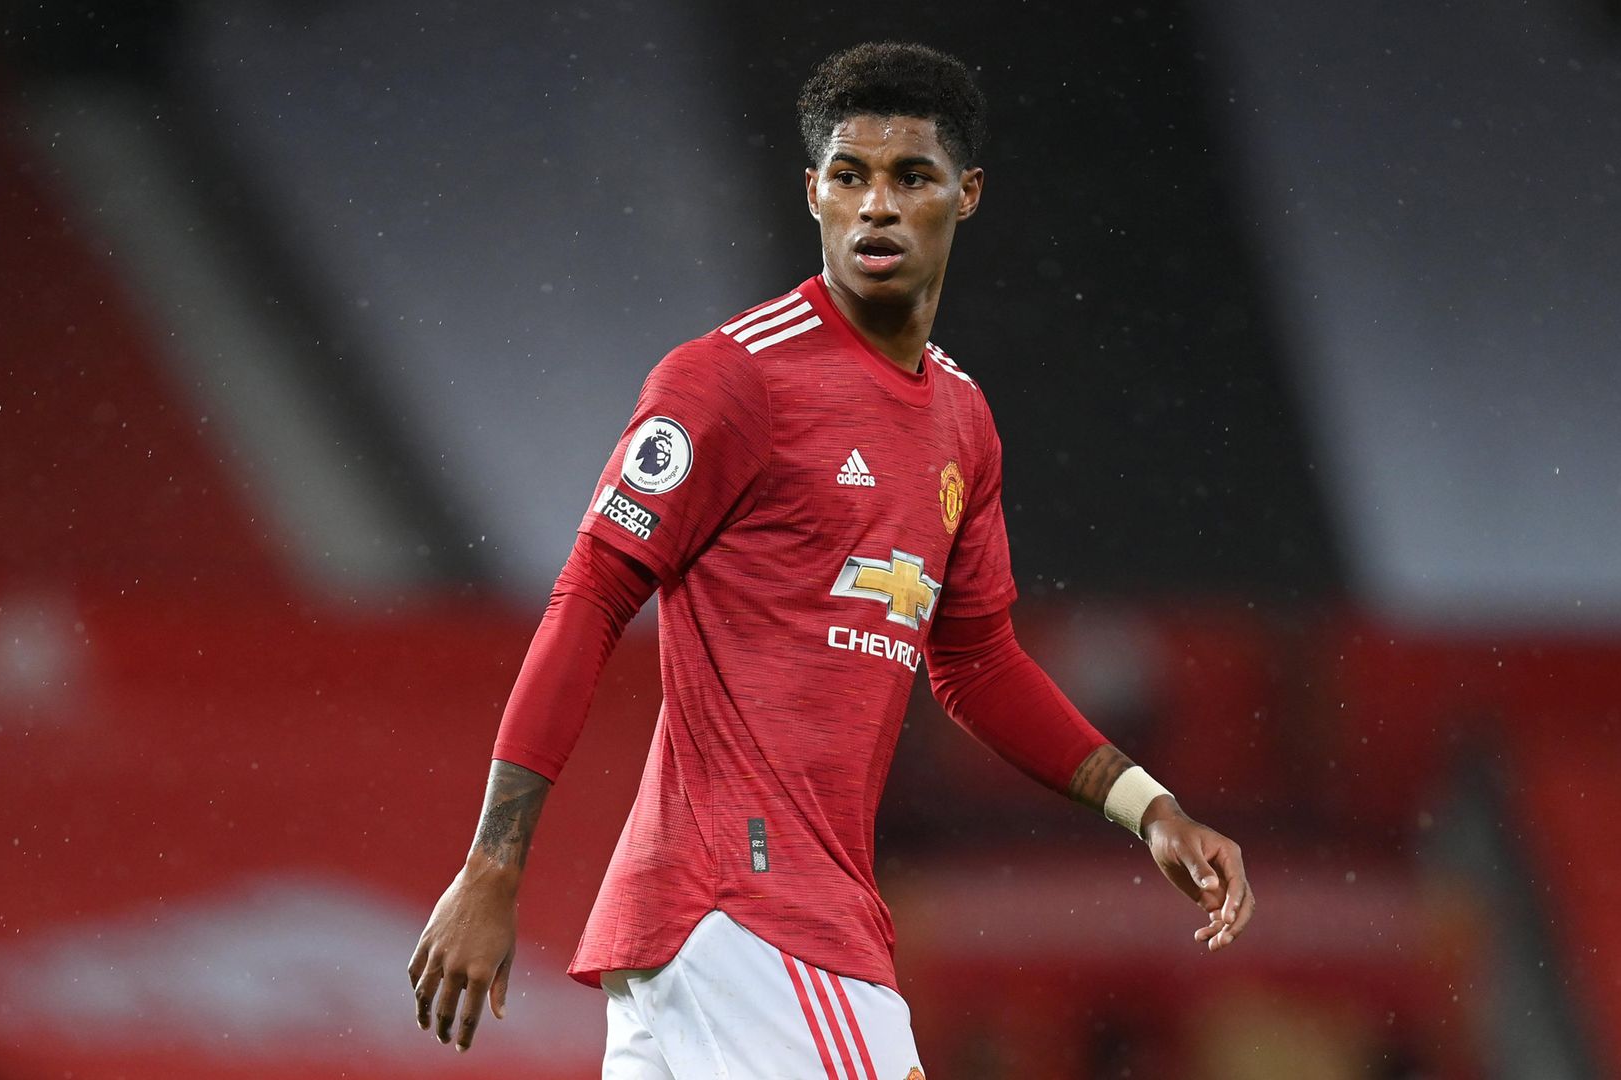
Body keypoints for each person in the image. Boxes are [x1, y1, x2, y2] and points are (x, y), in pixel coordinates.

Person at [408, 40, 1256, 1078]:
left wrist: (1149, 808)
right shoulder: (731, 381)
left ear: (968, 193)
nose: (878, 208)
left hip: (736, 931)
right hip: (751, 913)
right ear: (813, 190)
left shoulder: (963, 423)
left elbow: (979, 663)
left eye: (911, 178)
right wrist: (493, 867)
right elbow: (590, 593)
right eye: (850, 177)